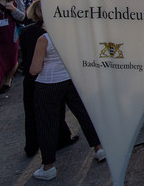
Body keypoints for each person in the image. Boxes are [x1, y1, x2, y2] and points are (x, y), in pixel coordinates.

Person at [30, 29, 105, 180]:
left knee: (47, 123)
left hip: (48, 83)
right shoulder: (72, 32)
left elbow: (34, 70)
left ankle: (48, 166)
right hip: (70, 78)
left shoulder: (44, 39)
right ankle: (99, 148)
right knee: (84, 114)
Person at [19, 0, 76, 158]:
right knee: (55, 112)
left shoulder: (26, 31)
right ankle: (61, 140)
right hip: (48, 76)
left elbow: (25, 54)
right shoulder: (55, 31)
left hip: (31, 77)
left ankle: (31, 146)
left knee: (31, 113)